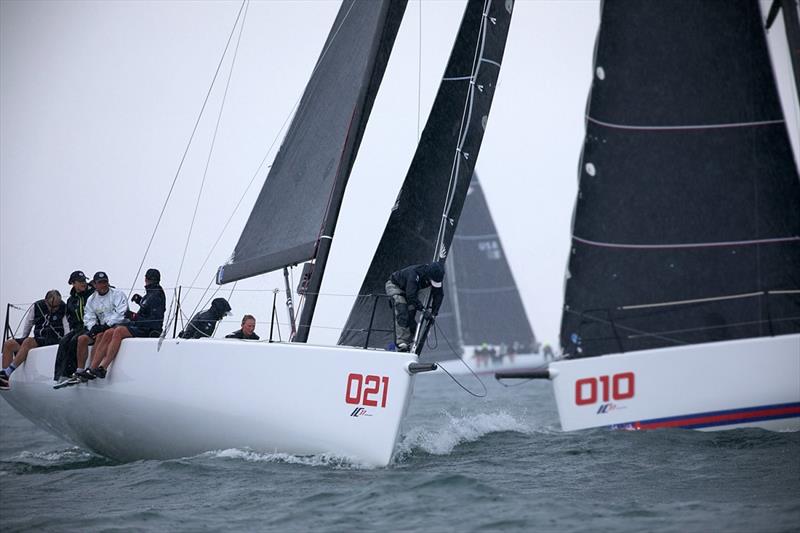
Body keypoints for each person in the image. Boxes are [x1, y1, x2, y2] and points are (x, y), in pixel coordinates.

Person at [81, 268, 166, 380]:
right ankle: (92, 368)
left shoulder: (156, 294)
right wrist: (139, 301)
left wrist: (134, 316)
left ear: (145, 279)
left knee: (118, 331)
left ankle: (103, 367)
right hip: (143, 327)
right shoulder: (152, 293)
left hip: (149, 330)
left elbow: (152, 319)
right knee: (108, 332)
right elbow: (149, 310)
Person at [1, 290, 68, 390]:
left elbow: (66, 326)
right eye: (52, 306)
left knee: (28, 342)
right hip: (39, 337)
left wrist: (65, 341)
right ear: (46, 301)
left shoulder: (63, 307)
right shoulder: (37, 306)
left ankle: (8, 372)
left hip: (54, 338)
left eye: (57, 306)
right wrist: (24, 337)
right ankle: (5, 379)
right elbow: (29, 322)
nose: (55, 309)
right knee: (8, 344)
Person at [70, 272, 128, 381]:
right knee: (82, 339)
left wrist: (106, 325)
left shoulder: (117, 294)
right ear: (95, 285)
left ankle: (92, 368)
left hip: (115, 325)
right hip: (99, 327)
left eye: (105, 282)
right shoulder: (92, 299)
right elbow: (88, 316)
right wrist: (93, 327)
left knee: (102, 335)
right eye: (100, 283)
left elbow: (121, 313)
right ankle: (80, 370)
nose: (103, 285)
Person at [385, 262, 444, 352]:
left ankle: (409, 342)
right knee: (402, 309)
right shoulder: (414, 273)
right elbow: (411, 296)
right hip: (395, 286)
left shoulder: (436, 275)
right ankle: (401, 343)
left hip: (410, 291)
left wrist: (434, 313)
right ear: (429, 275)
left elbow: (439, 295)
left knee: (411, 315)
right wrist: (424, 310)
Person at [53, 271, 95, 383]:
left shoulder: (92, 294)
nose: (83, 283)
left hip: (90, 325)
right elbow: (70, 316)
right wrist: (74, 326)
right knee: (63, 341)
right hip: (79, 327)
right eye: (80, 281)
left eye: (84, 281)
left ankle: (73, 372)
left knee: (73, 341)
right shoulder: (71, 300)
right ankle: (60, 375)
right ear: (73, 283)